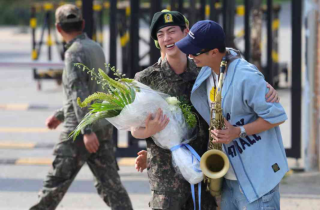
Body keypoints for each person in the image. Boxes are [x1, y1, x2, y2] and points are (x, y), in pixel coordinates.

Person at [132, 11, 280, 209]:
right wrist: (147, 133)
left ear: (186, 32)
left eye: (172, 31)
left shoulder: (203, 69)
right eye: (160, 34)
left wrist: (264, 86)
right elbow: (135, 128)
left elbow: (224, 55)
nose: (167, 38)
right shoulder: (146, 79)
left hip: (204, 173)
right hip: (165, 181)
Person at [176, 20, 288, 210]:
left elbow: (277, 116)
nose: (190, 56)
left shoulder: (246, 76)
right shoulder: (207, 69)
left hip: (257, 179)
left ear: (213, 52)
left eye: (195, 52)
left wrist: (239, 131)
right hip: (230, 177)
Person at [29, 4, 133, 210]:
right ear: (83, 24)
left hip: (79, 131)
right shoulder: (96, 48)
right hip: (101, 127)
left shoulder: (73, 53)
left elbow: (79, 91)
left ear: (58, 28)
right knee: (112, 187)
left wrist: (86, 130)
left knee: (55, 185)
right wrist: (60, 114)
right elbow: (95, 88)